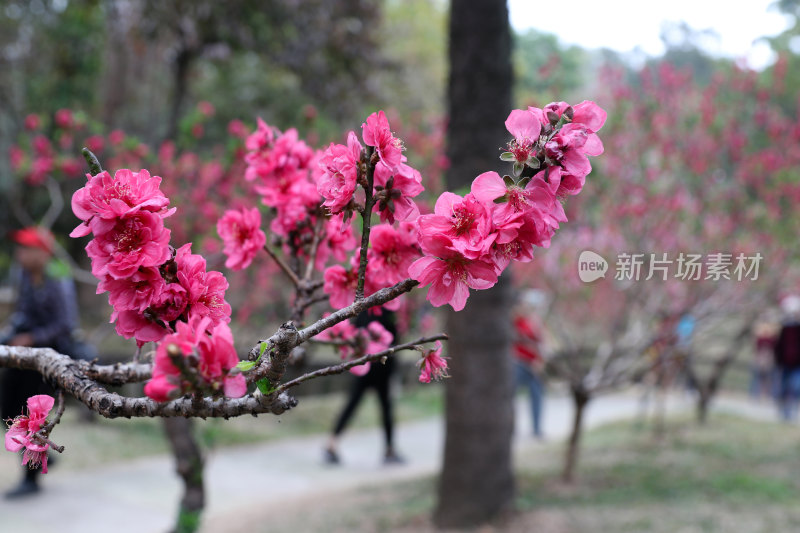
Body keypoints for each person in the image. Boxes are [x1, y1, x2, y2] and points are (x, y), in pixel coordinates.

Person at [1, 227, 80, 498]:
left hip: (50, 359)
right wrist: (11, 335)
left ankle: (31, 478)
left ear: (41, 253)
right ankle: (40, 452)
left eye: (26, 249)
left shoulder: (58, 278)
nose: (20, 254)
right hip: (25, 357)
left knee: (32, 416)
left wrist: (32, 337)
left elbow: (66, 325)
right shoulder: (24, 276)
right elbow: (23, 312)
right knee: (8, 408)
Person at [324, 309, 404, 465]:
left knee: (358, 405)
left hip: (369, 366)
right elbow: (392, 339)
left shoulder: (367, 308)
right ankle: (389, 450)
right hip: (375, 367)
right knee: (381, 408)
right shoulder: (383, 311)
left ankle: (332, 444)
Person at [513, 299, 546, 439]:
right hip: (518, 363)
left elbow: (542, 342)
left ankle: (537, 430)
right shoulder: (514, 323)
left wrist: (539, 361)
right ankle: (511, 429)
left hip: (533, 365)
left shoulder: (534, 322)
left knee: (537, 395)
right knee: (510, 396)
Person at [774, 295, 800, 421]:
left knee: (796, 387)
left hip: (797, 364)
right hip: (784, 362)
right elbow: (778, 345)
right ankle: (784, 410)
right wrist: (777, 360)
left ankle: (791, 409)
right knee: (784, 387)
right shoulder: (784, 328)